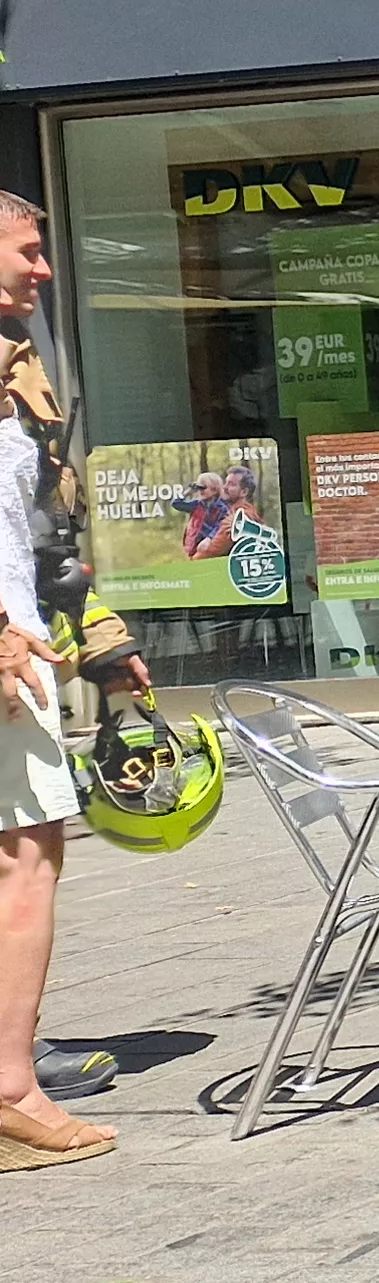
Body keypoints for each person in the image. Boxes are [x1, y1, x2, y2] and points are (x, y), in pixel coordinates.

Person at [0, 188, 151, 1170]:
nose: (44, 268)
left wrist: (101, 641)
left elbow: (49, 534)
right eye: (27, 248)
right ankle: (13, 1090)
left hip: (27, 645)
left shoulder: (23, 374)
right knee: (26, 860)